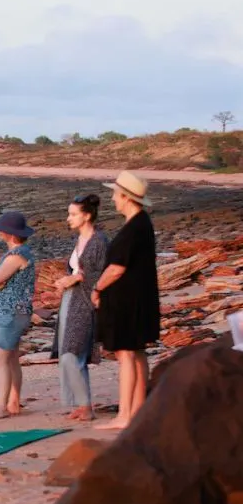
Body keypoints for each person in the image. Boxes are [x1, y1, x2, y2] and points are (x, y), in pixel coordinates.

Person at [92, 172, 161, 430]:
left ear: (126, 197)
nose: (113, 199)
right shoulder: (141, 223)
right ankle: (136, 411)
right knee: (137, 353)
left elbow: (117, 268)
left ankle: (125, 415)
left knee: (127, 355)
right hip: (137, 299)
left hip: (128, 301)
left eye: (115, 194)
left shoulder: (135, 227)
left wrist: (97, 288)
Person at [52, 194, 108, 422]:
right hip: (71, 299)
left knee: (71, 353)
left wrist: (77, 278)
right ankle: (81, 404)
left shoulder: (98, 241)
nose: (69, 218)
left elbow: (101, 271)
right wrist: (66, 280)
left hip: (86, 301)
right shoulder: (80, 240)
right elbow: (78, 270)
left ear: (86, 216)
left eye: (73, 214)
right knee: (72, 351)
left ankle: (85, 405)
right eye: (69, 214)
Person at [0, 211, 36, 419]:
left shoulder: (16, 256)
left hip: (11, 312)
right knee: (11, 357)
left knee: (0, 359)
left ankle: (2, 406)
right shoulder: (21, 253)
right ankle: (13, 401)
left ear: (10, 234)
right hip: (12, 311)